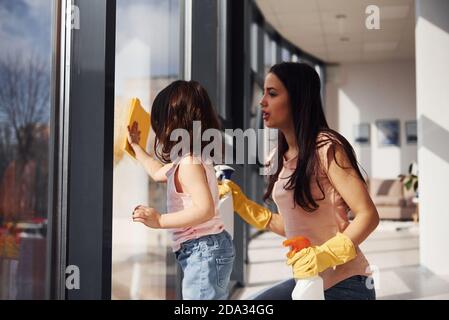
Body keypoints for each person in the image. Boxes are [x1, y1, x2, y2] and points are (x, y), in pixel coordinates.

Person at [219, 62, 379, 300]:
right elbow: (294, 225)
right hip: (309, 281)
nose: (262, 101)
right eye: (263, 93)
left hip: (347, 283)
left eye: (272, 93)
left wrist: (324, 255)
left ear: (297, 99)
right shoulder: (278, 157)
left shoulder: (326, 147)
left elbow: (368, 215)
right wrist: (242, 204)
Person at [128, 80, 235, 300]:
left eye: (159, 121)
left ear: (174, 123)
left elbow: (204, 210)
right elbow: (158, 172)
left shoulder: (189, 163)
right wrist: (137, 148)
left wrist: (160, 221)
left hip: (203, 249)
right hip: (205, 248)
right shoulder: (188, 161)